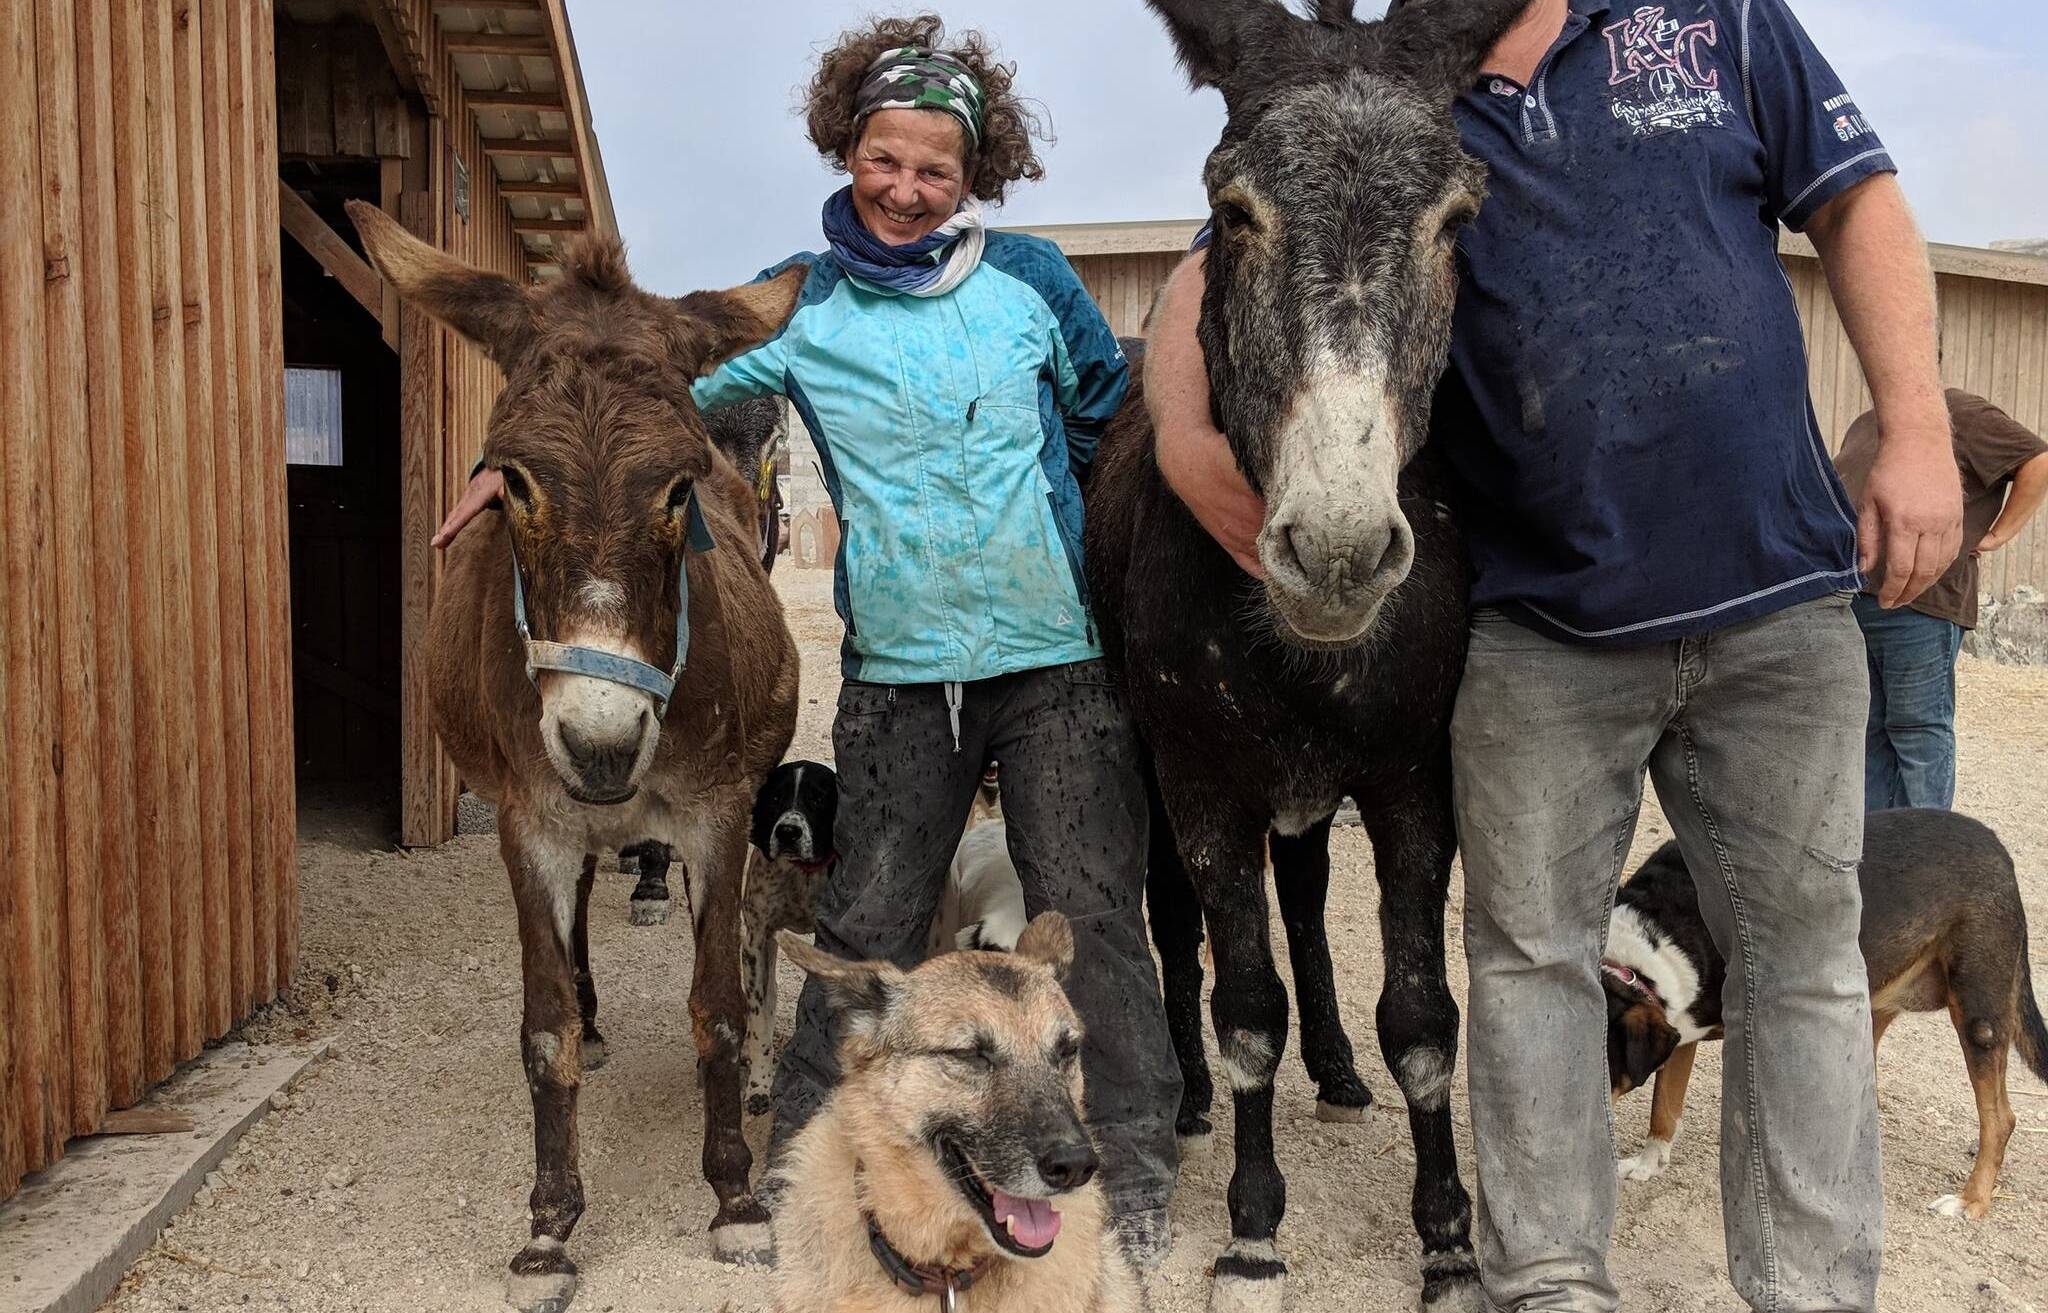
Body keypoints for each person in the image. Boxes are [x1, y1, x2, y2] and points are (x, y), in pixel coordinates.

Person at [1146, 0, 1961, 1309]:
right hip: (1540, 625)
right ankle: (1550, 1283)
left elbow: (1857, 199)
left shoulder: (1723, 21)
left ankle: (1812, 1289)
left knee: (1802, 962)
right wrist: (1188, 450)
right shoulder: (1389, 76)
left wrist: (1917, 425)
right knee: (1526, 963)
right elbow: (1228, 243)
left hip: (1779, 600)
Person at [437, 13, 1181, 1265]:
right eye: (883, 158)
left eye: (935, 169)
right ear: (847, 147)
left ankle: (1136, 1162)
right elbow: (633, 409)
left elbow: (1114, 425)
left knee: (1092, 912)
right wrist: (504, 469)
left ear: (973, 174)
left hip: (1056, 661)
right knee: (863, 911)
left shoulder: (1037, 284)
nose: (905, 188)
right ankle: (806, 1155)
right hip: (897, 669)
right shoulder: (796, 303)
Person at [1836, 388, 2048, 811]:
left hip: (1923, 605)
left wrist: (1998, 534)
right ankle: (1879, 854)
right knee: (1870, 730)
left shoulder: (1962, 413)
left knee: (1916, 731)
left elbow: (2037, 460)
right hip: (1858, 603)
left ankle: (1923, 860)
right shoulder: (1867, 421)